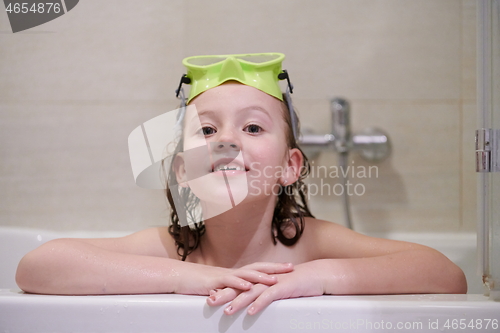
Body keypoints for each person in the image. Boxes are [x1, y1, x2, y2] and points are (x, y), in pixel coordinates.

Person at [16, 53, 467, 316]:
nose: (227, 139)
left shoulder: (309, 245)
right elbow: (37, 266)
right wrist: (187, 276)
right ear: (181, 172)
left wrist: (318, 277)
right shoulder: (172, 247)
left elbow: (445, 275)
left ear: (291, 166)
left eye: (252, 128)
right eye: (207, 131)